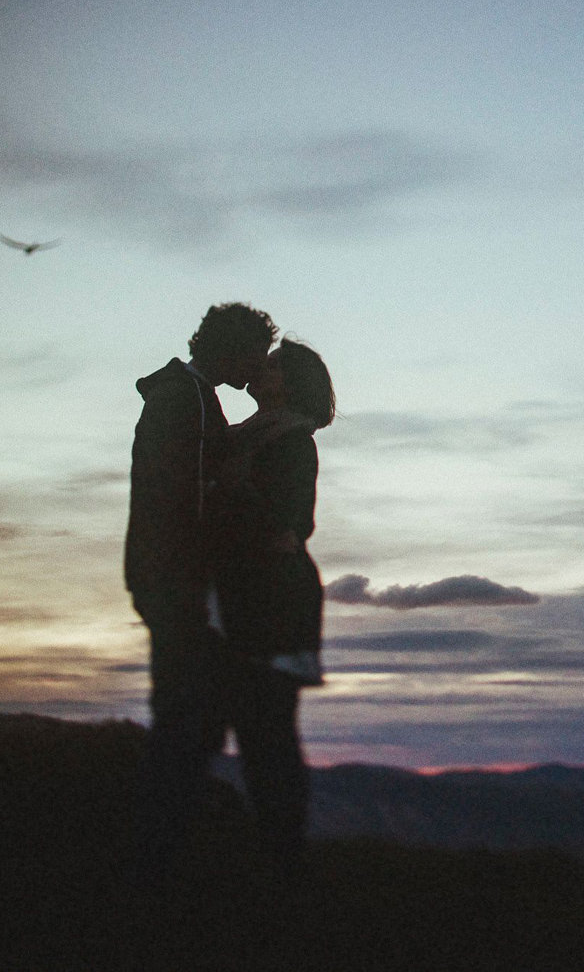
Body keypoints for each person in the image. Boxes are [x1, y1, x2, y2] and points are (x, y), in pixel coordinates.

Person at [125, 302, 277, 886]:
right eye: (255, 355)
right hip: (177, 582)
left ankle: (163, 856)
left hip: (177, 581)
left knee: (191, 720)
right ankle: (155, 865)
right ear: (231, 349)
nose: (258, 368)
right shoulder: (181, 398)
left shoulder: (193, 397)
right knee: (184, 722)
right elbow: (180, 498)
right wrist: (189, 588)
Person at [210, 338, 335, 866]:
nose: (262, 368)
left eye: (275, 365)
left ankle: (282, 855)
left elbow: (292, 523)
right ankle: (273, 851)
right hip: (251, 590)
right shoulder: (252, 437)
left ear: (293, 383)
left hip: (274, 596)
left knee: (268, 732)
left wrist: (233, 491)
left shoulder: (289, 442)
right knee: (257, 726)